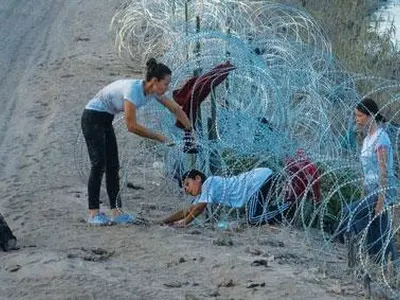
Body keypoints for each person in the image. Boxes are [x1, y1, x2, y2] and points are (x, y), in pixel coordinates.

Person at [81, 58, 192, 225]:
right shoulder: (133, 90)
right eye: (166, 83)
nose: (167, 88)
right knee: (99, 164)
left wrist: (190, 129)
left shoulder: (154, 92)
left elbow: (175, 108)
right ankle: (93, 213)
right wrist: (160, 138)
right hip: (92, 117)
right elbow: (131, 126)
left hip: (105, 119)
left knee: (113, 166)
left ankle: (116, 212)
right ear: (154, 81)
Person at [338, 98, 397, 264]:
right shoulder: (366, 140)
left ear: (370, 115)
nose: (357, 119)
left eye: (359, 115)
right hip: (371, 189)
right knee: (378, 229)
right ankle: (387, 263)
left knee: (349, 212)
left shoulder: (381, 138)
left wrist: (381, 200)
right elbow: (366, 172)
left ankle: (352, 247)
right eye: (356, 115)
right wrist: (365, 191)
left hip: (382, 190)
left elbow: (384, 172)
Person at [161, 168, 290, 227]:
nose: (187, 190)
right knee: (256, 214)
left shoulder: (209, 183)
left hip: (257, 181)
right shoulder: (203, 193)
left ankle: (289, 207)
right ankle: (284, 209)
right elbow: (190, 210)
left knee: (253, 218)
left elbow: (199, 209)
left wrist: (184, 223)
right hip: (257, 181)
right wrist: (165, 220)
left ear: (198, 178)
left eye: (187, 184)